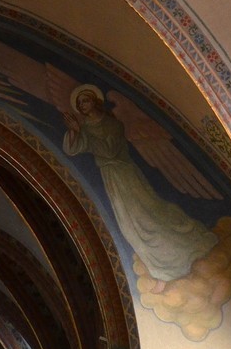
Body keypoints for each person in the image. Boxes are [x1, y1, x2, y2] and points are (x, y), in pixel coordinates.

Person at [63, 85, 217, 283]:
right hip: (111, 177)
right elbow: (73, 149)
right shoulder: (85, 128)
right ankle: (160, 271)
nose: (82, 106)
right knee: (128, 225)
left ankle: (183, 249)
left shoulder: (113, 124)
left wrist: (82, 133)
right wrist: (75, 132)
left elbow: (109, 151)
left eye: (85, 101)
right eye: (80, 104)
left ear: (95, 101)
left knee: (149, 214)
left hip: (126, 174)